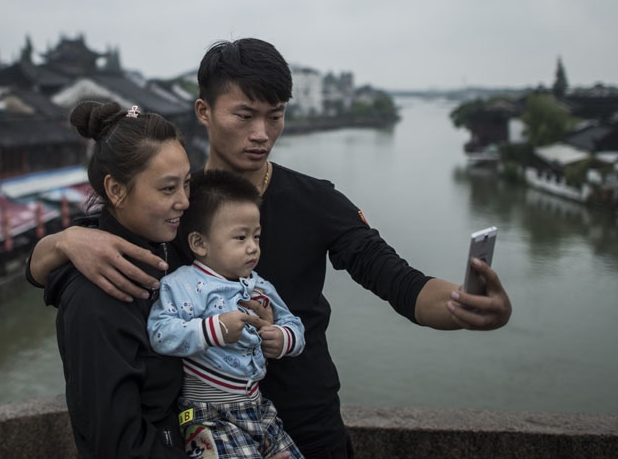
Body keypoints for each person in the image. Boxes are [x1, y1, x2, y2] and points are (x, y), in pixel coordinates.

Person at [30, 39, 513, 459]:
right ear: (204, 112)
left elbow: (397, 280)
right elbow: (64, 274)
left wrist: (463, 305)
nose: (261, 133)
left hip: (309, 425)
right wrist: (65, 239)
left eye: (274, 116)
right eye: (244, 115)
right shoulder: (175, 208)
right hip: (213, 434)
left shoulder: (317, 201)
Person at [42, 100, 192, 458]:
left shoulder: (160, 250)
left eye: (187, 184)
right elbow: (118, 443)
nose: (185, 201)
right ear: (116, 190)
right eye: (168, 189)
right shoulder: (98, 297)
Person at [147, 169, 305, 459]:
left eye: (256, 236)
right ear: (199, 243)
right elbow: (160, 332)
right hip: (210, 416)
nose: (252, 247)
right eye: (240, 237)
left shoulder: (259, 285)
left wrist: (282, 338)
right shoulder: (182, 284)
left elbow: (294, 324)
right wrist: (214, 329)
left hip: (259, 407)